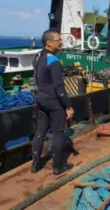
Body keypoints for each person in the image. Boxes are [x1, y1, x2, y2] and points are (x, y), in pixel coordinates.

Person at [31, 30, 75, 175]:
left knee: (40, 132)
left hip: (40, 100)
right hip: (53, 102)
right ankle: (58, 167)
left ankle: (35, 164)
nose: (61, 42)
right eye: (58, 40)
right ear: (49, 43)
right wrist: (67, 106)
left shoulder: (38, 56)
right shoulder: (54, 61)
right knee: (57, 133)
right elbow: (59, 87)